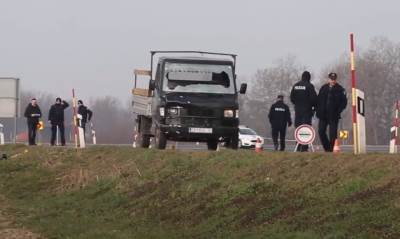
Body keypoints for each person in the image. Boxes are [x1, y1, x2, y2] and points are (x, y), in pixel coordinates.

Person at [316, 72, 347, 152]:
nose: (333, 81)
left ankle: (331, 148)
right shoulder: (323, 88)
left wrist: (338, 111)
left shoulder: (340, 89)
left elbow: (344, 102)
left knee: (333, 134)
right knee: (321, 131)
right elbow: (318, 100)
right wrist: (318, 110)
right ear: (328, 79)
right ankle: (327, 148)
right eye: (331, 79)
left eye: (334, 79)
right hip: (323, 115)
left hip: (334, 115)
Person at [290, 71, 317, 151]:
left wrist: (297, 104)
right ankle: (304, 147)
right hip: (307, 111)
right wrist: (313, 107)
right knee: (306, 128)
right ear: (309, 77)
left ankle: (298, 145)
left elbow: (292, 98)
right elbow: (314, 99)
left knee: (298, 128)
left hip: (298, 110)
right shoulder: (310, 86)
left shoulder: (296, 85)